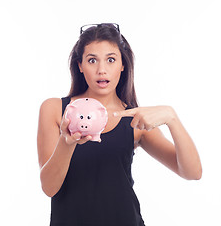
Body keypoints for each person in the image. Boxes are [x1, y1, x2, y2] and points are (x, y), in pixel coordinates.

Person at [37, 23, 202, 226]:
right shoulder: (55, 109)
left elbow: (193, 172)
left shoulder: (133, 119)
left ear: (122, 65)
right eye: (92, 60)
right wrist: (67, 142)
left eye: (111, 60)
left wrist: (172, 118)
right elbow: (49, 188)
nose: (101, 70)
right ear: (80, 65)